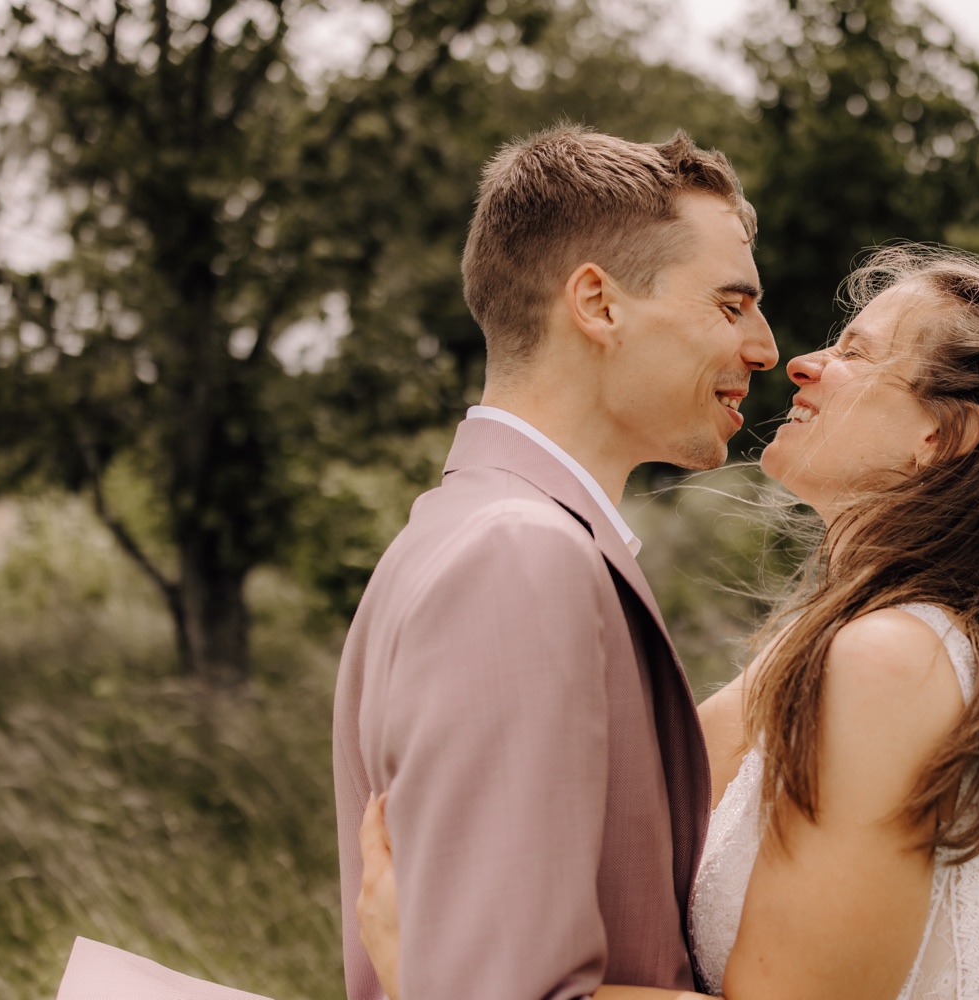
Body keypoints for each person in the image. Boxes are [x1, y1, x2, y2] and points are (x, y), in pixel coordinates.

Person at [355, 243, 979, 1000]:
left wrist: (447, 969)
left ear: (939, 438)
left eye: (854, 352)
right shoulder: (831, 645)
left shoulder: (891, 661)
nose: (801, 363)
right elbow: (628, 806)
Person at [333, 124, 777, 1000]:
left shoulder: (481, 528)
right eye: (731, 306)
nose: (764, 348)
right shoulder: (517, 555)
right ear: (599, 304)